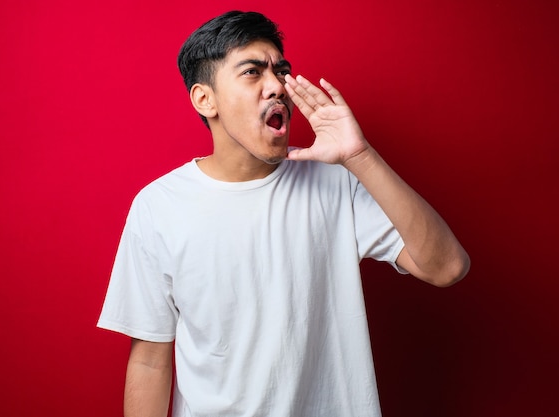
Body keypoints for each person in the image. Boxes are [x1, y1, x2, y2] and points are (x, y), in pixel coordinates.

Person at [98, 10, 470, 417]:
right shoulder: (159, 206)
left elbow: (447, 267)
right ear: (205, 100)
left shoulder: (335, 181)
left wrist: (361, 157)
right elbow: (150, 359)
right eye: (253, 72)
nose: (277, 86)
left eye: (281, 71)